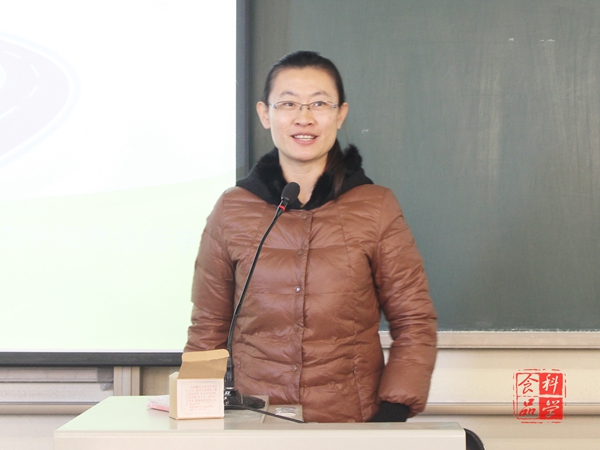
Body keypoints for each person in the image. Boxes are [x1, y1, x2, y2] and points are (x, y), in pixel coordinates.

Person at [185, 51, 437, 423]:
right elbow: (208, 328)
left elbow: (414, 321)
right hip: (252, 423)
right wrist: (196, 415)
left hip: (352, 424)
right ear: (265, 114)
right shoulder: (232, 209)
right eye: (288, 104)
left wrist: (392, 412)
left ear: (340, 114)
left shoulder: (375, 206)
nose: (304, 118)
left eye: (319, 103)